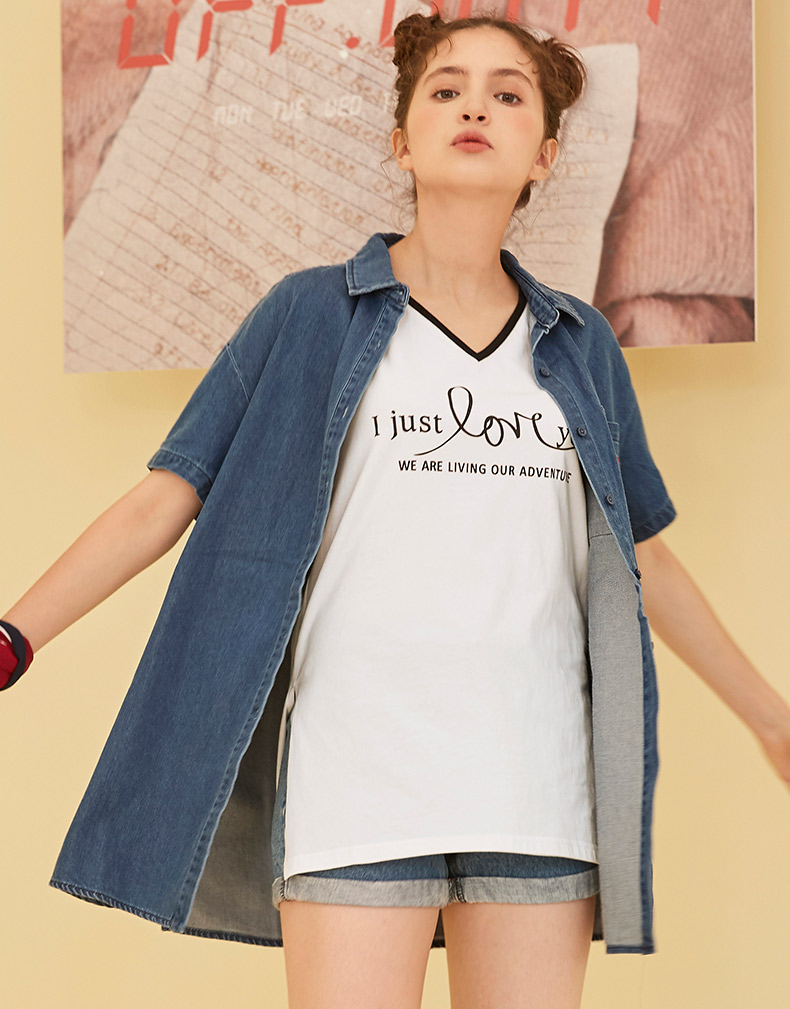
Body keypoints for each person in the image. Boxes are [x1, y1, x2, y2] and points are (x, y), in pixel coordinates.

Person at [3, 10, 788, 1009]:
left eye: (508, 94)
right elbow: (168, 494)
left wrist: (772, 720)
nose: (475, 107)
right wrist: (12, 637)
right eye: (446, 89)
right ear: (401, 139)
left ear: (546, 155)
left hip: (539, 792)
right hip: (356, 783)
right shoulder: (308, 314)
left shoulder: (581, 343)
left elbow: (643, 559)